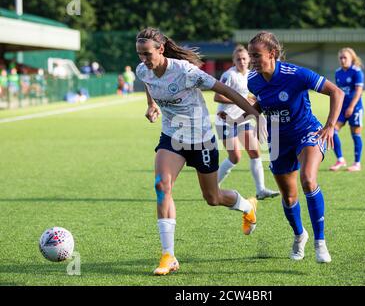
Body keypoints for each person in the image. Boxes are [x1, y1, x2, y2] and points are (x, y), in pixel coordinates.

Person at [135, 27, 265, 275]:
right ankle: (168, 256)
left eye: (147, 53)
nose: (143, 59)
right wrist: (151, 105)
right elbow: (148, 82)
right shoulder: (144, 70)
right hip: (172, 137)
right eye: (139, 54)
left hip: (202, 139)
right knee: (162, 186)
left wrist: (255, 114)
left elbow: (225, 91)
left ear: (161, 49)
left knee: (212, 198)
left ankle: (248, 207)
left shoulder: (185, 71)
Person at [247, 31, 344, 263]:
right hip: (278, 140)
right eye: (251, 56)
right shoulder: (253, 79)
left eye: (257, 55)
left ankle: (320, 243)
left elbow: (336, 92)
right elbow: (263, 102)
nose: (252, 61)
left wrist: (330, 126)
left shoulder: (296, 74)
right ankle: (300, 235)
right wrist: (243, 115)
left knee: (308, 179)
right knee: (289, 197)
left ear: (272, 54)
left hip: (307, 131)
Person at [214, 45, 280, 201]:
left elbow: (252, 96)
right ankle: (211, 187)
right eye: (238, 59)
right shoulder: (229, 75)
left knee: (255, 152)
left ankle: (261, 190)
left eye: (244, 58)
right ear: (233, 61)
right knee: (235, 156)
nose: (242, 62)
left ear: (249, 59)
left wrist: (255, 100)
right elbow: (217, 97)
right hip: (226, 120)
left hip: (243, 119)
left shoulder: (251, 75)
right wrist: (241, 100)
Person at [329, 48, 365, 172]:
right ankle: (340, 159)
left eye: (345, 58)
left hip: (355, 108)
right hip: (342, 108)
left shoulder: (357, 72)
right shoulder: (338, 72)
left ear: (351, 59)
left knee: (355, 134)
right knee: (332, 131)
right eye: (341, 58)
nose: (343, 60)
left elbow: (359, 91)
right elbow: (338, 92)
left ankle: (357, 163)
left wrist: (351, 106)